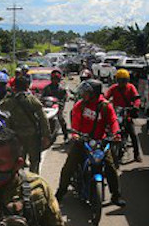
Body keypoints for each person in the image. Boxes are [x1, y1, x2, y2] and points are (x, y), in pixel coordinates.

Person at [55, 79, 126, 207]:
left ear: (94, 93)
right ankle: (61, 192)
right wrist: (75, 134)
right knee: (68, 166)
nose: (83, 95)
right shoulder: (80, 105)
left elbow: (113, 121)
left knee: (111, 167)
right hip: (82, 140)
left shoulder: (105, 106)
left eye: (86, 93)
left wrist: (116, 134)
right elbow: (75, 121)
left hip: (100, 142)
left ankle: (116, 195)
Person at [0, 75, 50, 174]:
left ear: (14, 87)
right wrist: (46, 135)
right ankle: (34, 180)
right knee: (34, 160)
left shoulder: (10, 100)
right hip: (33, 135)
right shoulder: (32, 99)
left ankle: (19, 180)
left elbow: (0, 107)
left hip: (17, 135)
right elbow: (43, 118)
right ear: (27, 86)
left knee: (18, 160)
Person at [105, 69, 143, 162]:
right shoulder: (114, 88)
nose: (122, 82)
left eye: (124, 80)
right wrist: (103, 103)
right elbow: (106, 96)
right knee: (107, 131)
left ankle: (136, 154)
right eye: (120, 80)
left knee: (133, 134)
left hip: (127, 114)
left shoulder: (131, 87)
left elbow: (137, 99)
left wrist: (136, 106)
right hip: (116, 113)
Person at [40, 68, 69, 140]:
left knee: (60, 118)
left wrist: (61, 102)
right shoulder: (47, 88)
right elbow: (43, 96)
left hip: (57, 106)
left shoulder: (61, 89)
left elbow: (64, 98)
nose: (55, 80)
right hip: (48, 106)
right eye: (53, 78)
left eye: (56, 78)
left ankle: (66, 135)